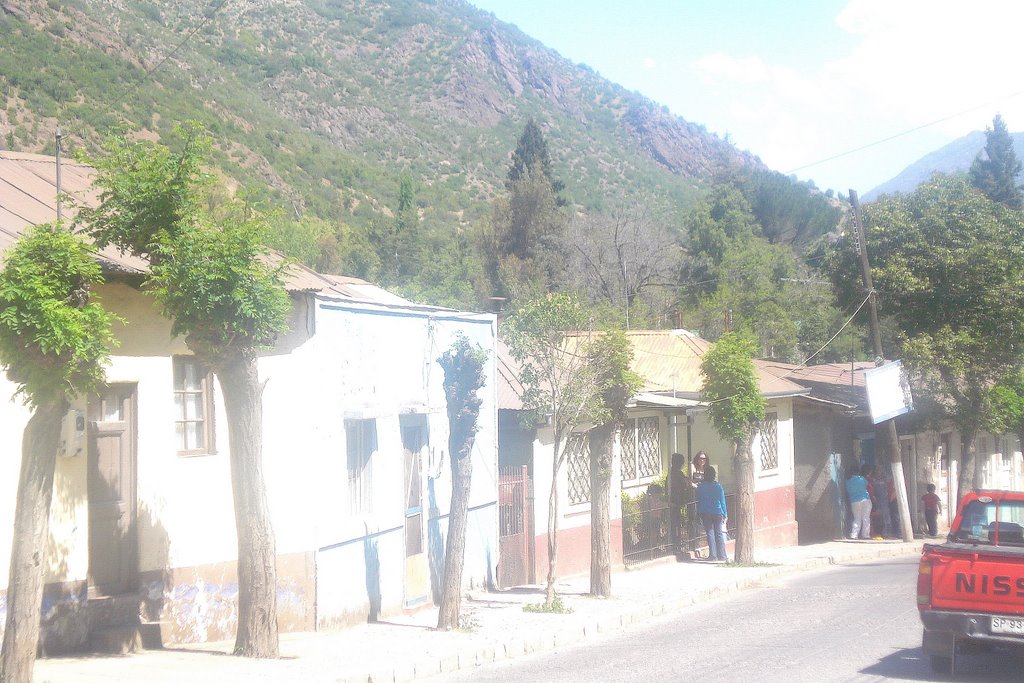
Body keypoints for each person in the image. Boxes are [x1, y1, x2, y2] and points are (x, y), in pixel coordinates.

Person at [696, 464, 728, 562]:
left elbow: (698, 499)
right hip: (717, 511)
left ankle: (713, 556)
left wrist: (699, 512)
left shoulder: (701, 487)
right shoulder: (718, 486)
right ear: (714, 475)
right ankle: (722, 555)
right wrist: (725, 513)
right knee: (719, 534)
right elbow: (722, 500)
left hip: (705, 512)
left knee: (710, 533)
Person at [846, 464, 872, 540]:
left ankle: (854, 535)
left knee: (857, 518)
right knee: (866, 518)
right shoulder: (862, 479)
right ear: (858, 471)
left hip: (854, 501)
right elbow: (866, 485)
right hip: (865, 500)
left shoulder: (847, 481)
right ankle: (866, 535)